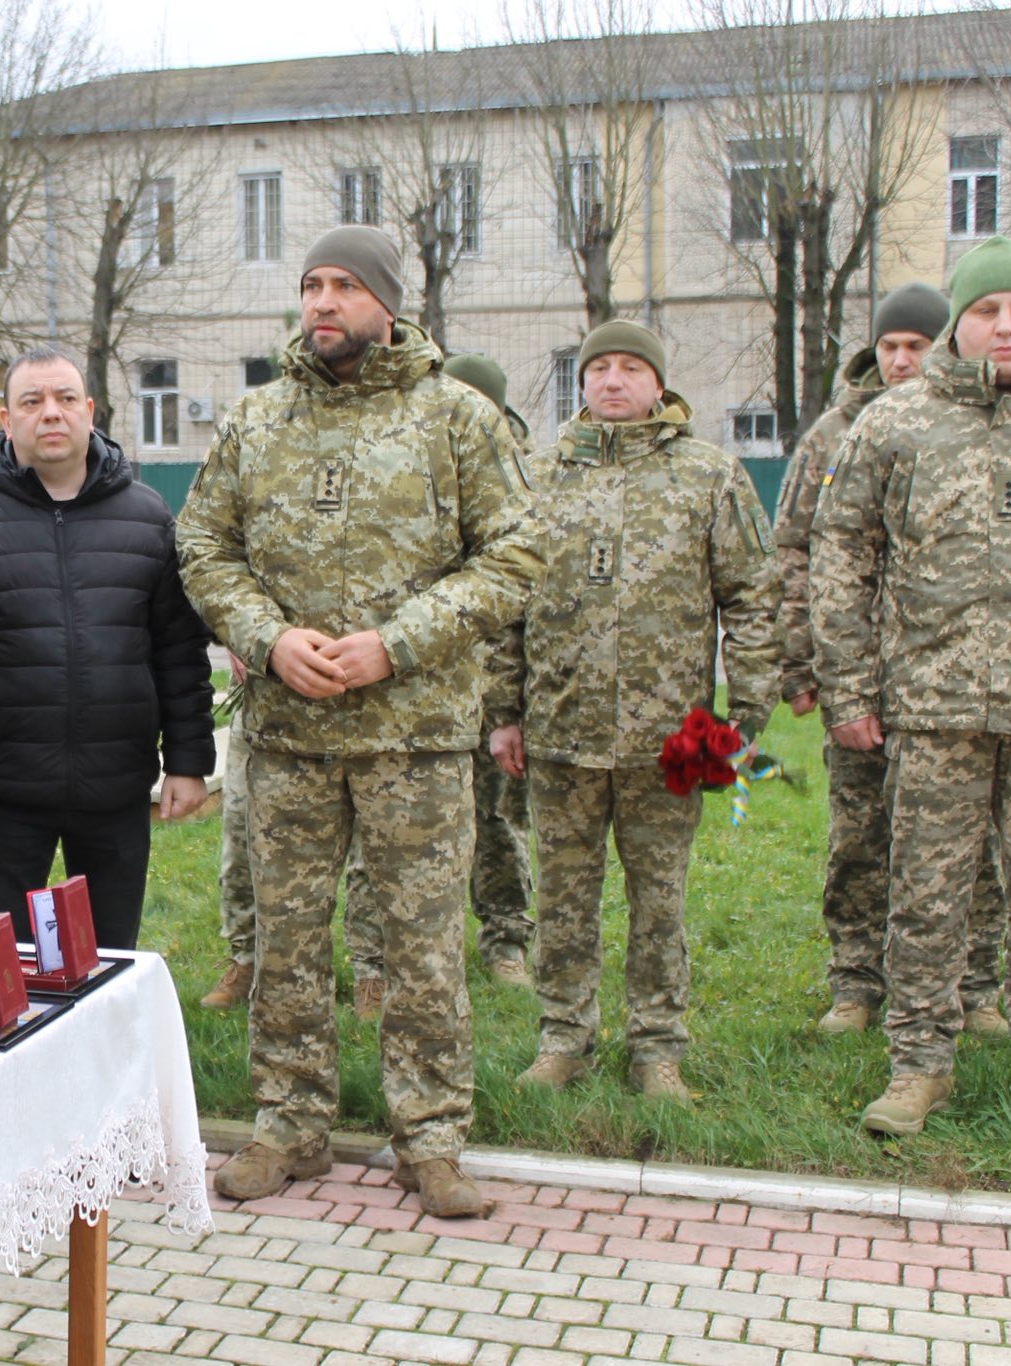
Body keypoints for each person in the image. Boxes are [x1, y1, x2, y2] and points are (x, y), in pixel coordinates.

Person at [178, 225, 542, 1215]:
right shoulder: (257, 420)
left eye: (343, 286)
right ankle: (286, 1126)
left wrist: (400, 639)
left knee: (422, 947)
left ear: (387, 302)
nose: (322, 303)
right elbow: (203, 548)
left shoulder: (457, 419)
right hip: (289, 736)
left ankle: (428, 1139)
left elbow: (513, 555)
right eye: (310, 285)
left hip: (412, 738)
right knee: (289, 943)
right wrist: (265, 636)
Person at [812, 235, 1011, 1148]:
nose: (1004, 325)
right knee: (924, 898)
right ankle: (919, 1065)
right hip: (931, 712)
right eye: (984, 311)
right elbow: (842, 555)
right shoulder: (896, 422)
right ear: (956, 328)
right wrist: (850, 689)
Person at [487, 320, 779, 1102]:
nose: (612, 382)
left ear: (658, 383)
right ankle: (563, 1037)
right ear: (582, 383)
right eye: (599, 369)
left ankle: (656, 1047)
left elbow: (751, 596)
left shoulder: (708, 477)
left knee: (661, 901)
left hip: (671, 741)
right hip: (561, 735)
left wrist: (746, 714)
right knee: (565, 898)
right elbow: (502, 605)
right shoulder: (537, 477)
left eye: (630, 369)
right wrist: (503, 712)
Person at [772, 282, 1007, 1038]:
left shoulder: (982, 419)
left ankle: (974, 985)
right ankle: (855, 980)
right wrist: (803, 665)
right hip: (862, 678)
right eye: (890, 347)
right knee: (860, 836)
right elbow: (797, 552)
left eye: (916, 345)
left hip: (956, 681)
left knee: (973, 843)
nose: (902, 360)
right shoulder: (833, 434)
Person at [0, 347, 214, 949]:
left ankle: (105, 1048)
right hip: (5, 789)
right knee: (1, 967)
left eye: (63, 400)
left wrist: (188, 762)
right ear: (6, 420)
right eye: (32, 402)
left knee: (108, 960)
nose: (49, 414)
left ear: (89, 411)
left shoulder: (147, 515)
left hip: (116, 786)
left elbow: (178, 651)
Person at [439, 352, 538, 990]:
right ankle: (426, 945)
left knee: (498, 818)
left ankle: (506, 939)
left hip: (499, 681)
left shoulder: (525, 477)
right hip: (429, 679)